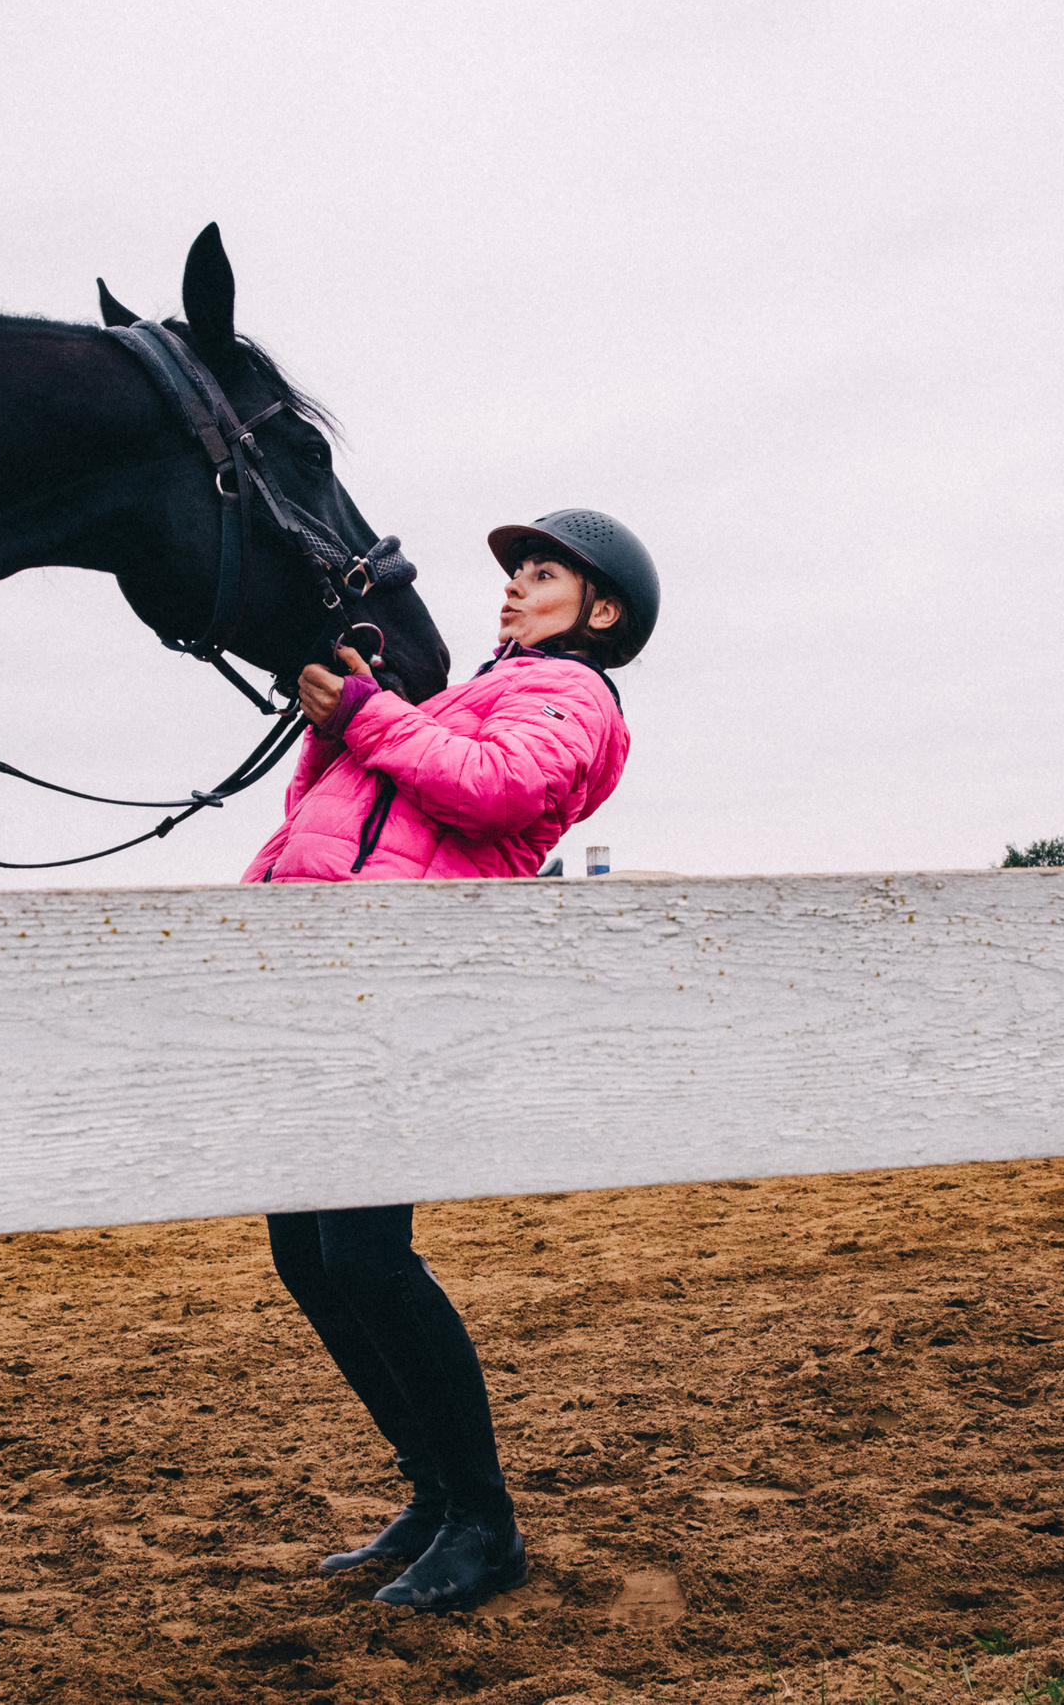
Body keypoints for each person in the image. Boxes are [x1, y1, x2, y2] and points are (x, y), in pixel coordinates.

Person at [242, 508, 660, 1611]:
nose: (513, 588)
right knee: (311, 1256)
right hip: (338, 981)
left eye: (540, 573)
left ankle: (486, 1522)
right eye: (515, 573)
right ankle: (435, 1497)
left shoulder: (572, 696)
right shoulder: (473, 690)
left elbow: (498, 791)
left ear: (601, 611)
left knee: (368, 1257)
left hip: (406, 991)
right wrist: (335, 729)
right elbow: (336, 815)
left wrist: (374, 715)